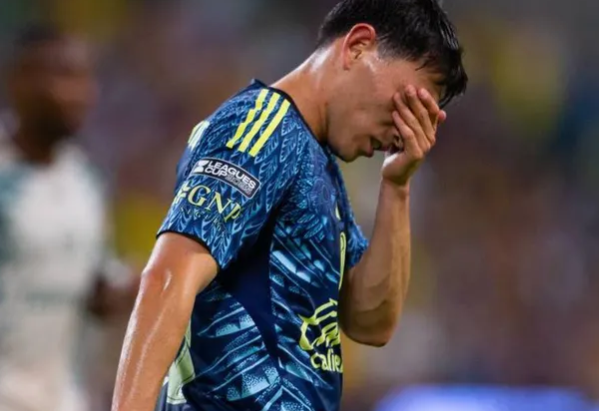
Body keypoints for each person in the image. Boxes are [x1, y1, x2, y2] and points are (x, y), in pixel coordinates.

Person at [112, 0, 468, 410]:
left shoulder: (318, 161)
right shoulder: (262, 129)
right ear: (357, 46)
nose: (403, 129)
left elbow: (370, 323)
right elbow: (168, 275)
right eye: (404, 104)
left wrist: (397, 185)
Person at [0, 24, 134, 411]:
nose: (80, 92)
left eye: (84, 77)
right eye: (63, 75)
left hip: (61, 399)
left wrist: (140, 282)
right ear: (19, 81)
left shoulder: (85, 180)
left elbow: (92, 285)